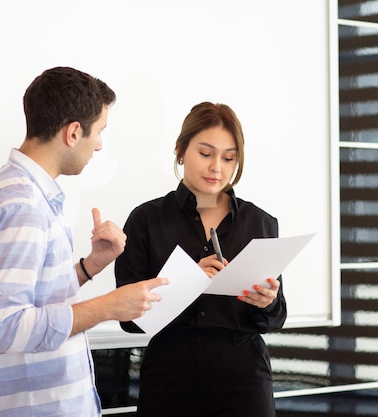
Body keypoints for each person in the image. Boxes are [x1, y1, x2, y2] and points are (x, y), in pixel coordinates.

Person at [0, 66, 168, 417]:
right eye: (99, 132)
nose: (101, 145)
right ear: (74, 132)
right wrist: (109, 306)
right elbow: (8, 328)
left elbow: (32, 296)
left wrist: (90, 267)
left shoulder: (24, 194)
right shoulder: (23, 204)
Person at [115, 102, 287, 417]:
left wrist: (268, 302)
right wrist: (185, 281)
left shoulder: (260, 223)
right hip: (170, 377)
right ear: (181, 150)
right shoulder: (146, 219)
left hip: (243, 378)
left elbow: (274, 318)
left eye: (228, 157)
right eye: (206, 154)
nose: (216, 167)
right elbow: (129, 320)